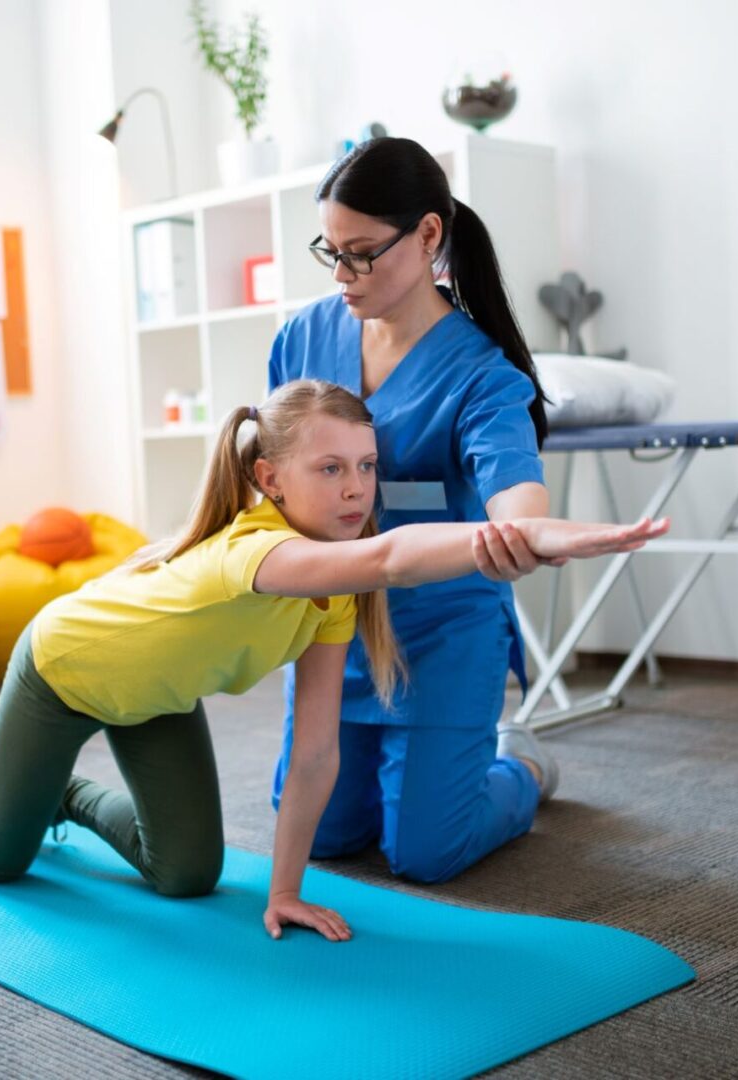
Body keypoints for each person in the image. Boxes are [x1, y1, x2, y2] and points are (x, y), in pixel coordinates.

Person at [0, 380, 665, 940]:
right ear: (268, 478)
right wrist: (535, 536)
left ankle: (63, 792)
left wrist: (286, 891)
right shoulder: (258, 551)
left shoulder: (332, 598)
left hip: (154, 696)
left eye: (367, 468)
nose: (356, 489)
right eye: (331, 468)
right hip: (63, 672)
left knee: (187, 875)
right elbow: (389, 558)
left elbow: (316, 752)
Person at [268, 136, 593, 883]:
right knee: (323, 838)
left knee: (424, 854)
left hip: (439, 631)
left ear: (427, 235)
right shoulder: (302, 338)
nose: (343, 274)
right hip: (333, 634)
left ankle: (520, 767)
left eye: (362, 253)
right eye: (331, 251)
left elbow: (512, 478)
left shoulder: (480, 371)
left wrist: (527, 529)